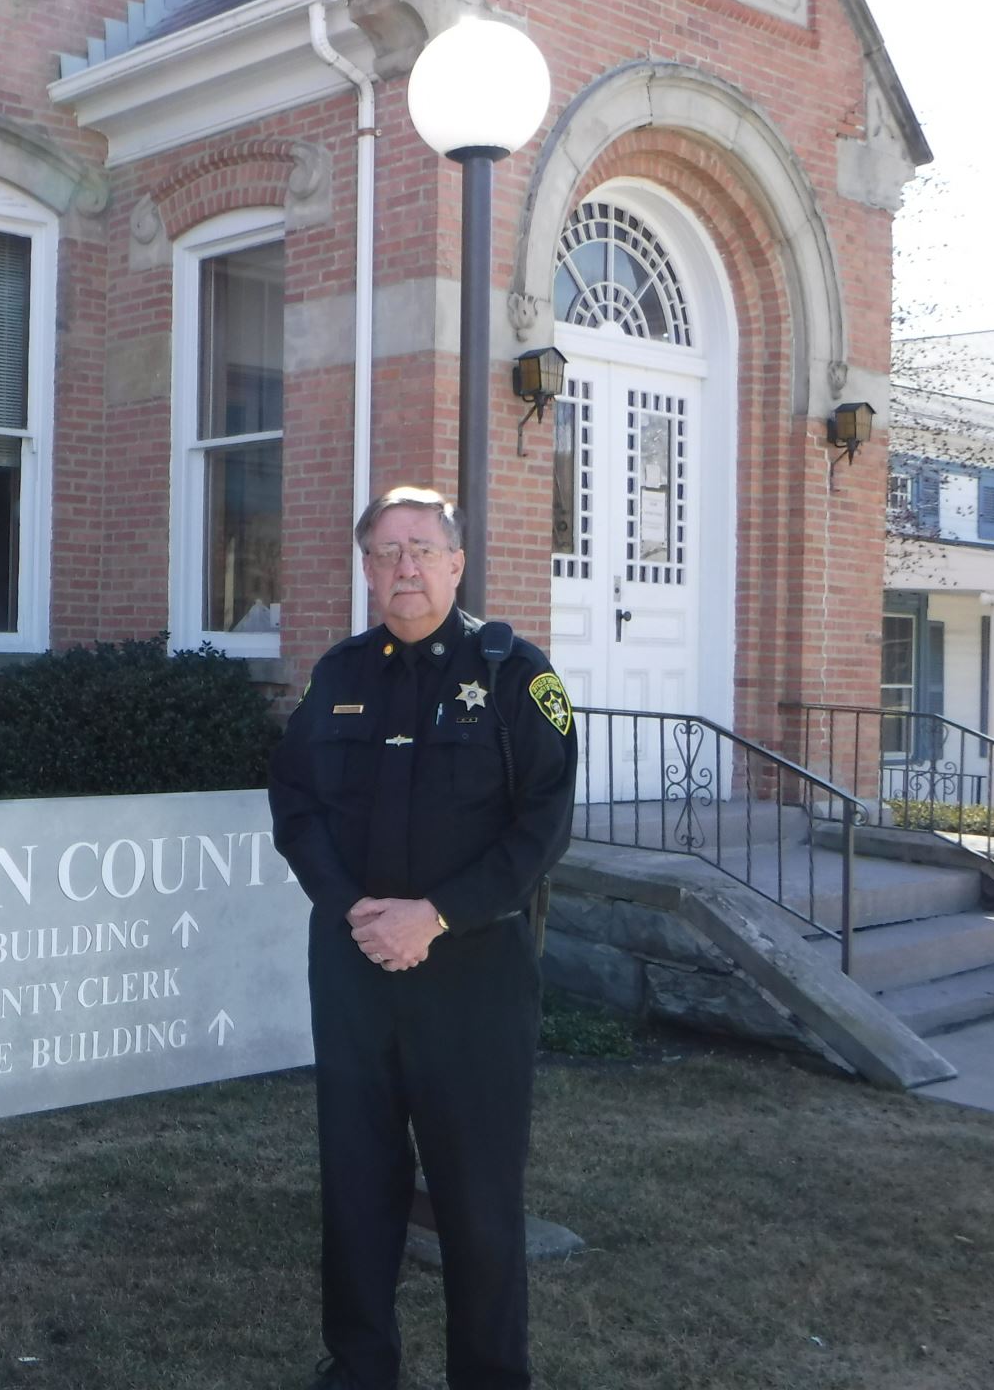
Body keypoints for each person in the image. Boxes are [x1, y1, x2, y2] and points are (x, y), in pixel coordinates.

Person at [268, 486, 578, 1390]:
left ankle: (488, 1376)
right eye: (384, 552)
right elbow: (296, 802)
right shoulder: (340, 675)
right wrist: (350, 908)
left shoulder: (517, 677)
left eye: (420, 548)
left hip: (472, 976)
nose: (404, 566)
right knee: (357, 1182)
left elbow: (542, 828)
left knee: (479, 1196)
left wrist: (433, 915)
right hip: (357, 968)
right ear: (367, 572)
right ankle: (359, 1367)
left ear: (455, 562)